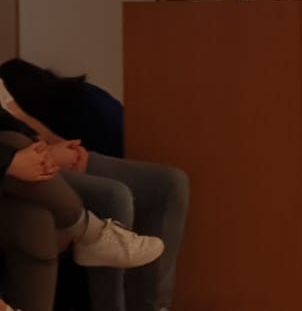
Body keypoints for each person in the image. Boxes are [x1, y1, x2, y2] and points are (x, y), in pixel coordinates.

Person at [0, 75, 184, 311]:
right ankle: (88, 231)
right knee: (113, 196)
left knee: (170, 183)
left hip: (24, 157)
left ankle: (154, 306)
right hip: (11, 164)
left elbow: (13, 115)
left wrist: (48, 147)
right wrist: (11, 162)